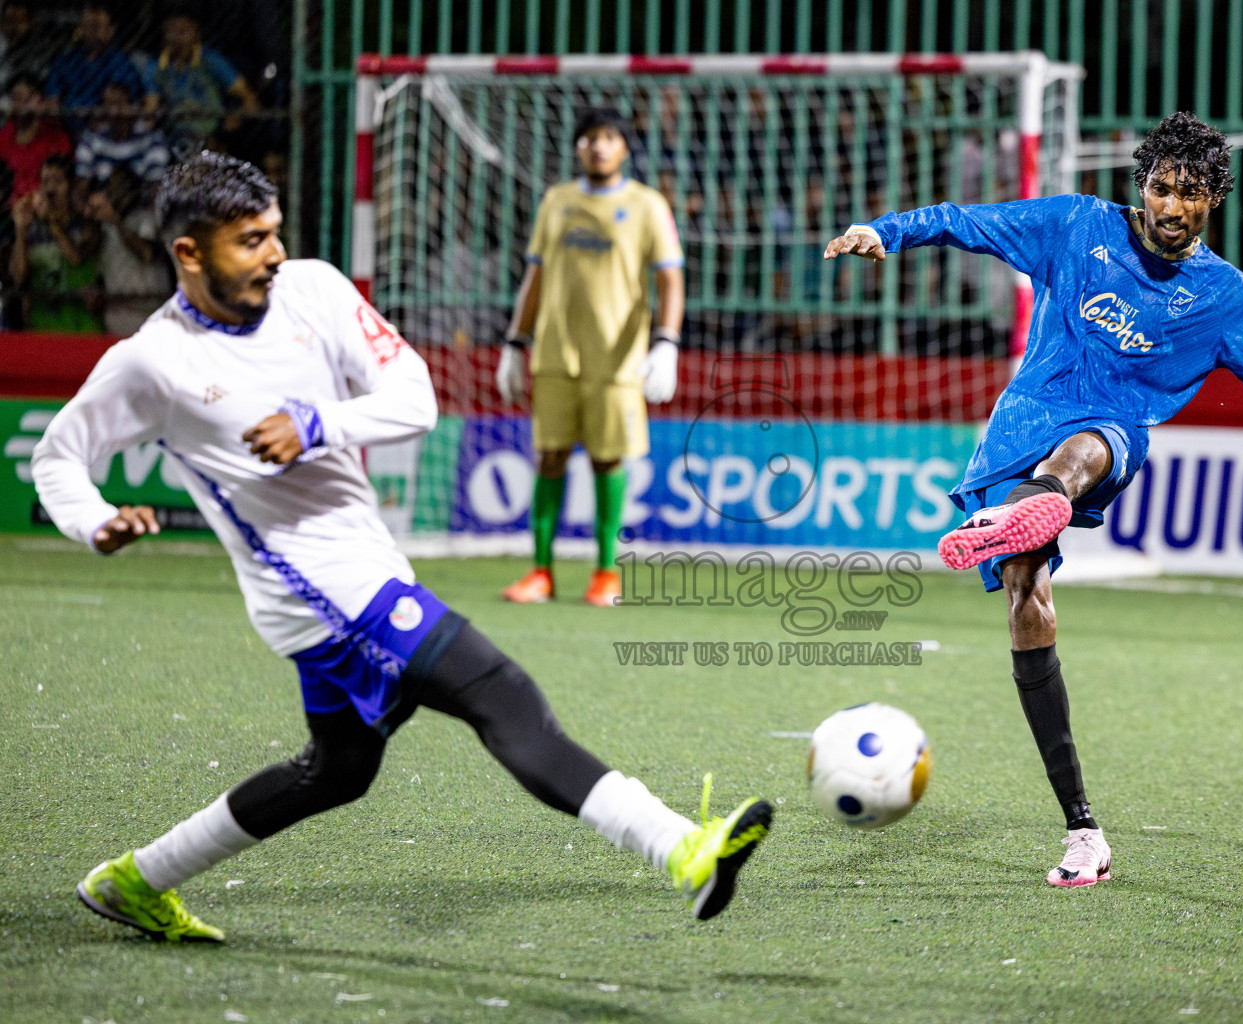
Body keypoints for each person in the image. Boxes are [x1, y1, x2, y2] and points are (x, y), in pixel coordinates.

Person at [31, 152, 769, 943]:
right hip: (317, 594)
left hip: (365, 571)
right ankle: (683, 852)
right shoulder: (154, 362)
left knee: (339, 771)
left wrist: (320, 425)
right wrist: (93, 519)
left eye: (274, 233)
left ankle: (136, 880)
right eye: (250, 240)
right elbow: (57, 457)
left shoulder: (312, 288)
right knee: (502, 694)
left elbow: (413, 396)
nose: (273, 253)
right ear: (189, 253)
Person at [823, 111, 1243, 889]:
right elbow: (968, 221)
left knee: (1087, 452)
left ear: (1213, 201)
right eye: (1161, 187)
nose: (1172, 207)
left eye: (1190, 194)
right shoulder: (1075, 224)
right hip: (1018, 430)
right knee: (1029, 602)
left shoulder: (1224, 298)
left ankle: (1042, 502)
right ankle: (1083, 830)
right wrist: (885, 232)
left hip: (1107, 439)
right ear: (1142, 186)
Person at [496, 108, 684, 607]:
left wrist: (666, 342)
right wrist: (516, 342)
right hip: (556, 353)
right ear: (577, 147)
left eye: (607, 138)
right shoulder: (556, 200)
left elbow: (670, 278)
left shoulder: (647, 205)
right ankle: (540, 571)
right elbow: (534, 276)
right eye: (588, 138)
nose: (597, 147)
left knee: (607, 459)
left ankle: (606, 573)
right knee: (549, 456)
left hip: (616, 359)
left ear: (623, 147)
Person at [8, 153, 103, 331]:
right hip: (43, 326)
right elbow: (18, 276)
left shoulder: (86, 224)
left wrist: (51, 222)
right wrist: (20, 230)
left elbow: (76, 257)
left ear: (71, 186)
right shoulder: (32, 229)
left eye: (58, 181)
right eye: (46, 181)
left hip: (82, 326)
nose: (51, 188)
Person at [144, 11, 259, 154]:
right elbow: (150, 109)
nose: (176, 38)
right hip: (174, 136)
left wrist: (236, 118)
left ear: (196, 33)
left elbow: (249, 98)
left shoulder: (211, 61)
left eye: (183, 31)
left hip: (212, 135)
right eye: (171, 31)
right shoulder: (156, 68)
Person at [83, 167, 170, 334]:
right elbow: (95, 268)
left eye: (119, 187)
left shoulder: (148, 218)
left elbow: (146, 253)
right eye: (110, 187)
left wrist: (115, 220)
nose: (113, 192)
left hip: (150, 318)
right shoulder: (103, 227)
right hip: (117, 320)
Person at [43, 3, 151, 131]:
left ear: (111, 31)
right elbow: (52, 98)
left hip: (104, 130)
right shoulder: (65, 61)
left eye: (97, 27)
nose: (92, 32)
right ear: (80, 30)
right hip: (66, 128)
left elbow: (119, 100)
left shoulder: (120, 62)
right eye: (87, 27)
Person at [73, 79, 171, 185]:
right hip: (103, 196)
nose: (115, 111)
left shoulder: (152, 138)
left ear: (132, 106)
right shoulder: (92, 139)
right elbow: (82, 179)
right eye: (109, 105)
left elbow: (155, 181)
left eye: (119, 104)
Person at [0, 72, 72, 202]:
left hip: (42, 202)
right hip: (8, 202)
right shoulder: (6, 133)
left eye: (28, 98)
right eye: (17, 98)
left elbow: (58, 180)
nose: (22, 104)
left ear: (40, 99)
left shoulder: (54, 135)